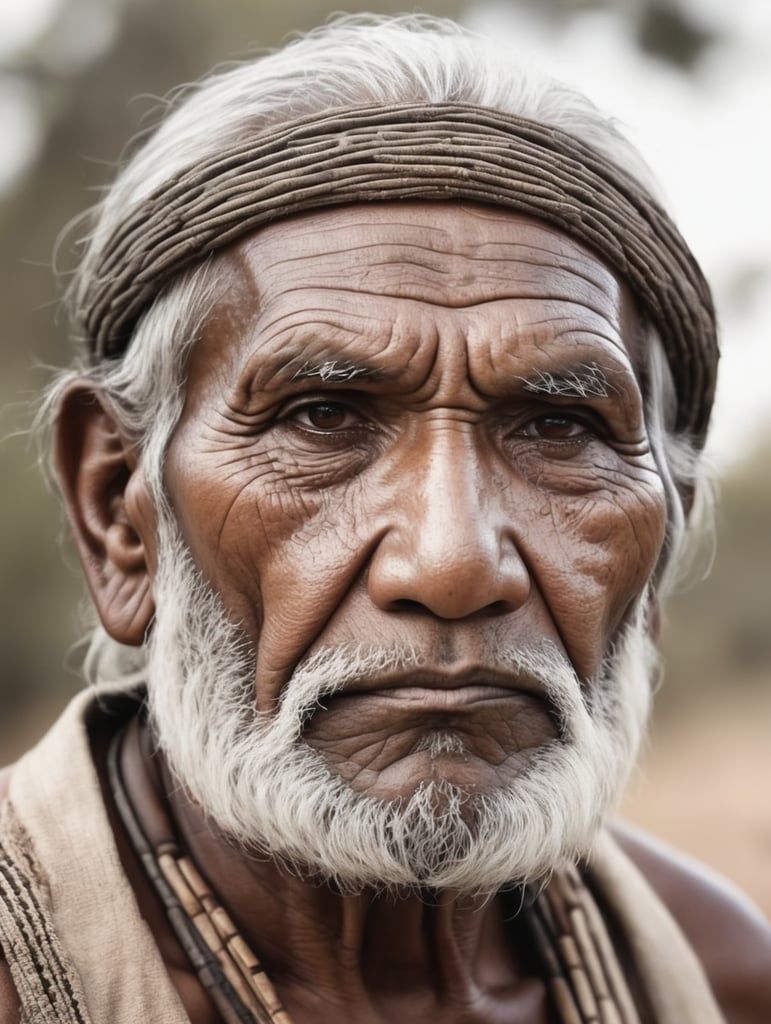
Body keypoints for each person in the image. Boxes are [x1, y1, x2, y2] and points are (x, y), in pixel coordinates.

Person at [0, 13, 769, 1023]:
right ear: (119, 512)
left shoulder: (717, 981)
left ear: (663, 548)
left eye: (559, 427)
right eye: (322, 417)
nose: (451, 564)